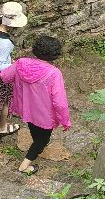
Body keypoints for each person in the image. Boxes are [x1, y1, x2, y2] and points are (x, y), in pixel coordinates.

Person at [0, 34, 71, 176]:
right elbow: (59, 102)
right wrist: (65, 121)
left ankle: (35, 144)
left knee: (34, 130)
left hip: (26, 110)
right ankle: (24, 166)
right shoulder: (54, 73)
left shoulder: (21, 63)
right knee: (43, 140)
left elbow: (4, 76)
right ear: (54, 55)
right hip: (45, 115)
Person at [0, 2, 27, 136]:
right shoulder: (5, 43)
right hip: (2, 76)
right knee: (4, 100)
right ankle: (2, 127)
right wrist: (12, 66)